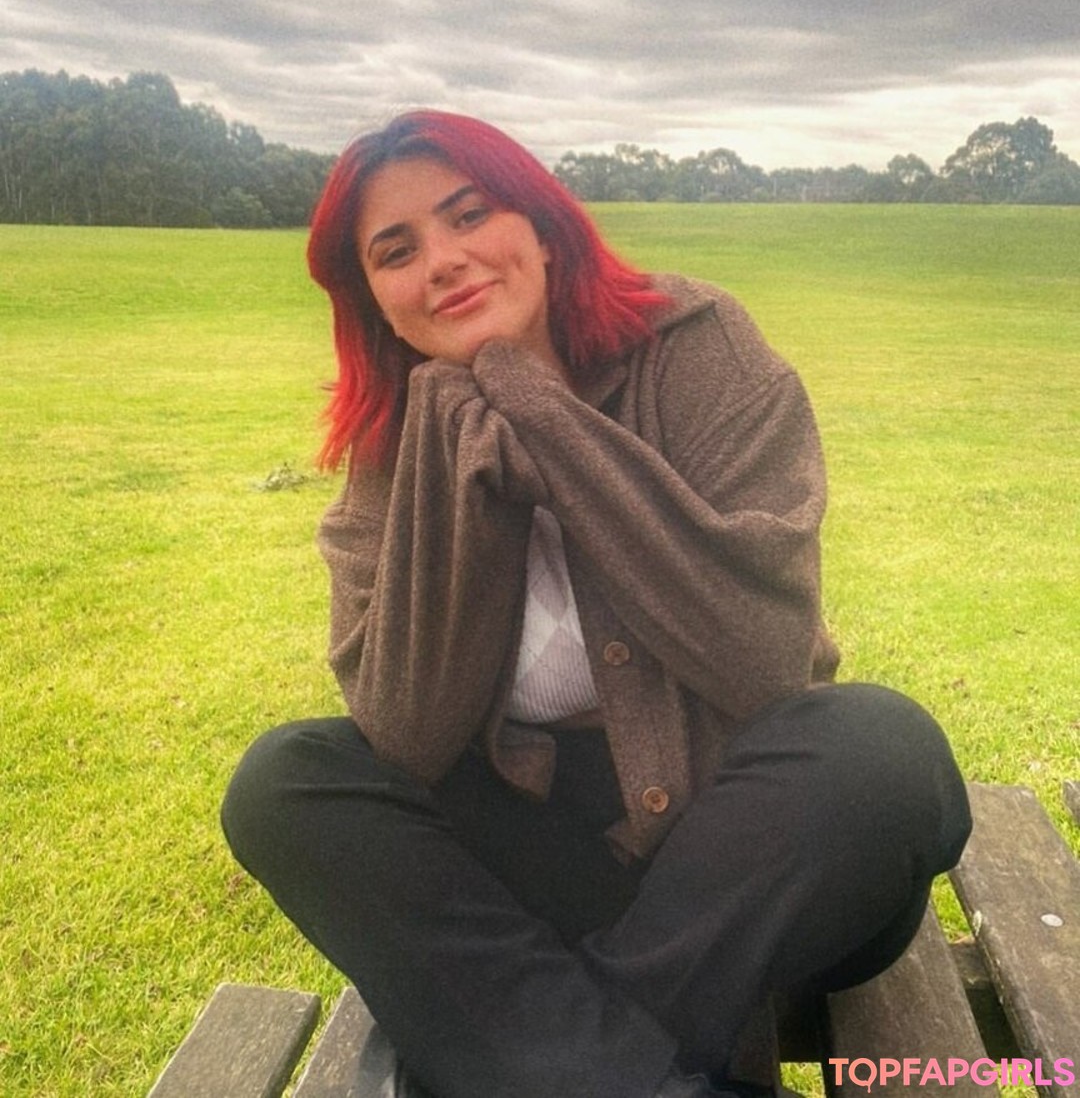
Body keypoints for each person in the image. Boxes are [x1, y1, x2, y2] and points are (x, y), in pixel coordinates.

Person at [221, 111, 971, 1098]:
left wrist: (531, 403)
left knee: (882, 748)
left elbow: (759, 657)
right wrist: (455, 446)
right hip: (541, 861)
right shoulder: (394, 444)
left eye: (469, 214)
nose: (442, 261)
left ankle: (533, 1044)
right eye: (396, 252)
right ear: (377, 305)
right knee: (285, 783)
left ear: (541, 225)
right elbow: (405, 732)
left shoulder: (698, 346)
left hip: (756, 862)